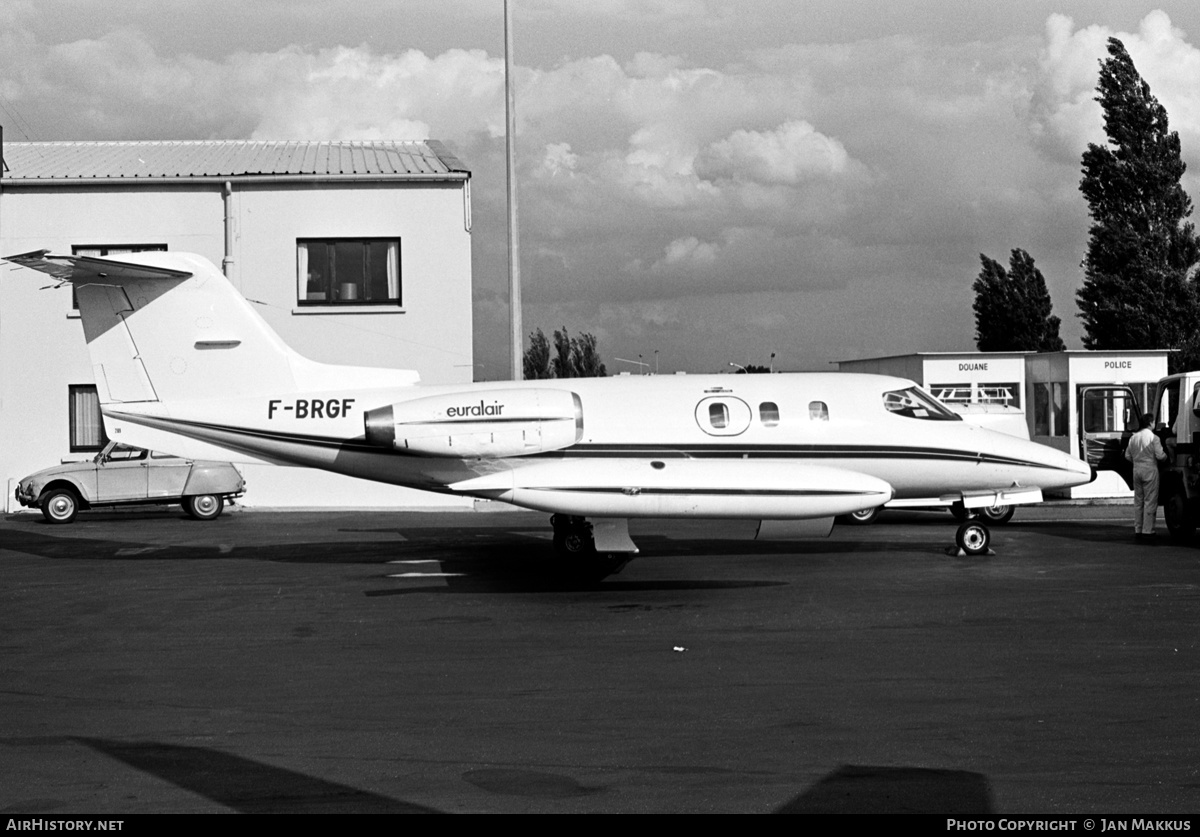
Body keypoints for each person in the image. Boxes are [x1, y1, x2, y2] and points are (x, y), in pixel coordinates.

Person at [1125, 412, 1168, 541]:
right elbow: (1160, 456)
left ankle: (1138, 530)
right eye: (1154, 422)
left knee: (1138, 502)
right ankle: (1148, 531)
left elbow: (1127, 455)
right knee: (1150, 501)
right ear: (1150, 423)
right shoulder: (1154, 438)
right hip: (1150, 470)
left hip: (1136, 470)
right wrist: (1167, 457)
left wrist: (1137, 461)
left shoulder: (1133, 438)